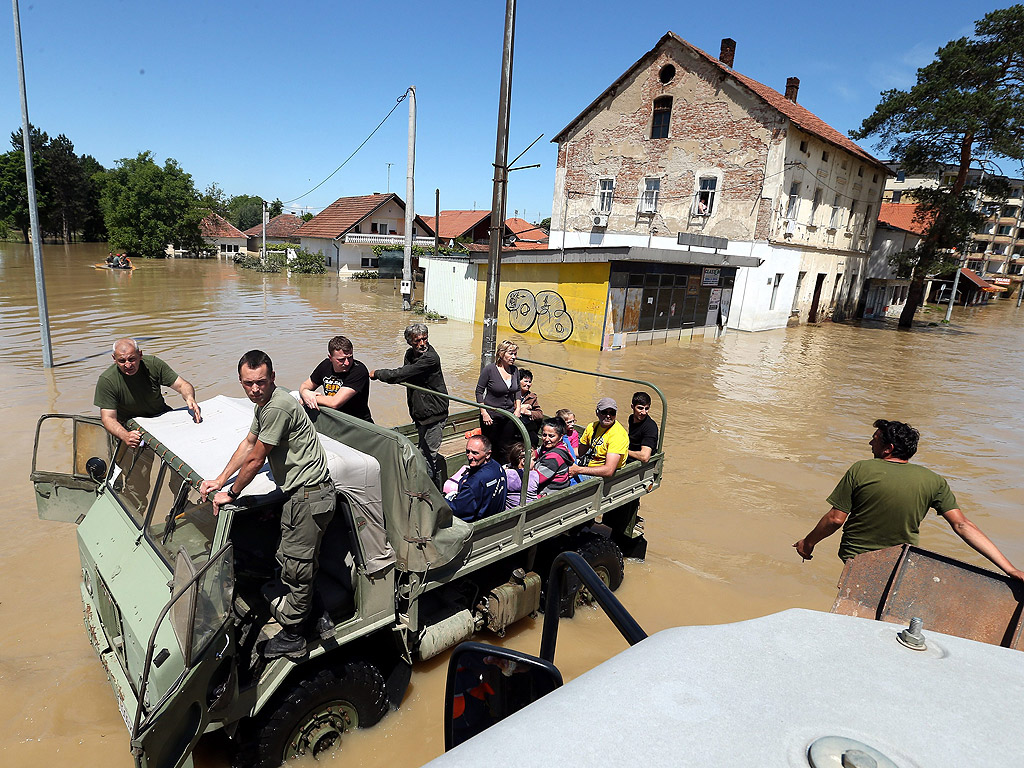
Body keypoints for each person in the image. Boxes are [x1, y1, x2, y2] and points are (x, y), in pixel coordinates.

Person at [199, 350, 336, 660]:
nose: (254, 389)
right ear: (241, 382)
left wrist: (231, 494)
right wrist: (220, 480)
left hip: (309, 496)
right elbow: (248, 443)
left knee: (296, 568)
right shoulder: (265, 406)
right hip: (304, 495)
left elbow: (256, 458)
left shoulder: (277, 406)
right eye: (248, 384)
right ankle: (318, 616)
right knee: (295, 560)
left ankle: (294, 636)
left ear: (272, 378)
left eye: (260, 382)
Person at [793, 419, 1024, 581]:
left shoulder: (861, 470)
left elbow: (835, 519)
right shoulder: (933, 480)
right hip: (900, 562)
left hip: (857, 561)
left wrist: (808, 543)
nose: (870, 444)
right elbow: (962, 525)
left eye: (874, 440)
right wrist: (1010, 569)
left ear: (888, 449)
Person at [371, 324, 450, 488]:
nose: (422, 343)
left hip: (435, 413)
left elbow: (400, 375)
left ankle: (428, 491)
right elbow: (407, 375)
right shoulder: (409, 354)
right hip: (421, 413)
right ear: (409, 342)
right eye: (417, 340)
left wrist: (377, 374)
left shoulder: (430, 358)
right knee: (423, 452)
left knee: (428, 455)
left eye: (425, 338)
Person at [94, 338, 201, 448]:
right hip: (130, 426)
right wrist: (125, 435)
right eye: (122, 361)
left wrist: (190, 398)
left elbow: (182, 385)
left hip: (160, 416)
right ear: (114, 359)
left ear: (140, 355)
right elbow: (108, 418)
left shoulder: (153, 364)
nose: (128, 365)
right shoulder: (107, 380)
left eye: (132, 359)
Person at [299, 335, 373, 422]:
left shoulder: (359, 371)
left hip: (357, 423)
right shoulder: (325, 365)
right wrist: (304, 393)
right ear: (330, 358)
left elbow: (334, 403)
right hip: (333, 419)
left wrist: (309, 398)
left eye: (350, 357)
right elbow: (306, 385)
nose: (347, 363)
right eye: (341, 359)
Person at [476, 340, 522, 463]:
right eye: (511, 353)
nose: (514, 357)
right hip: (491, 417)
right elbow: (479, 392)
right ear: (501, 354)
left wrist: (518, 409)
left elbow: (517, 390)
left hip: (509, 417)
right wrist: (484, 413)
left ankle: (503, 471)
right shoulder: (489, 370)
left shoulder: (515, 370)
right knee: (491, 447)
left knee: (506, 447)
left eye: (515, 354)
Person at [446, 435, 507, 522]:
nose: (469, 457)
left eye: (475, 453)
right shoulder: (497, 467)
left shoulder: (474, 483)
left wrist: (440, 500)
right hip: (497, 519)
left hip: (480, 527)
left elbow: (457, 510)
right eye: (468, 451)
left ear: (488, 454)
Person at [533, 418, 574, 495]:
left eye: (551, 436)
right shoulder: (548, 447)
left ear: (561, 437)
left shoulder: (554, 457)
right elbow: (534, 454)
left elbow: (535, 479)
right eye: (544, 435)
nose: (546, 439)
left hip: (549, 492)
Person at [627, 391, 659, 463]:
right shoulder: (631, 418)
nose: (644, 412)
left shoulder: (650, 427)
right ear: (632, 407)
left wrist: (623, 451)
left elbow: (644, 457)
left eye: (646, 408)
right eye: (640, 408)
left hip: (636, 462)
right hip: (629, 456)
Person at [517, 368, 544, 448]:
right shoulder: (511, 394)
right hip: (512, 424)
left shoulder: (532, 397)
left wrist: (528, 412)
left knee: (534, 439)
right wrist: (521, 407)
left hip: (525, 427)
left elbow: (540, 414)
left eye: (530, 382)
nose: (528, 384)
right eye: (525, 381)